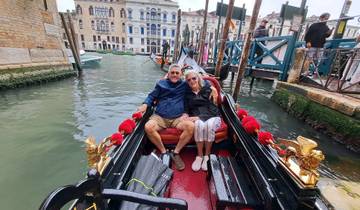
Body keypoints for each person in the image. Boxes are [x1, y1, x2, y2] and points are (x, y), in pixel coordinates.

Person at [138, 64, 194, 171]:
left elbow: (199, 83)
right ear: (168, 74)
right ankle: (163, 151)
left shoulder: (184, 85)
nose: (174, 75)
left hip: (178, 118)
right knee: (148, 127)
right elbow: (151, 96)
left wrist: (211, 88)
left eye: (177, 73)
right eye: (172, 72)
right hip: (160, 117)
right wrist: (145, 104)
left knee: (191, 126)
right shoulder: (160, 84)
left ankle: (176, 152)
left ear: (181, 75)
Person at [184, 70, 221, 172]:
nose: (192, 81)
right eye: (189, 80)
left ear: (198, 78)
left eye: (194, 78)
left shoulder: (208, 90)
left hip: (212, 116)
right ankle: (199, 155)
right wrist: (185, 115)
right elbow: (186, 108)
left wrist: (199, 117)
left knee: (208, 125)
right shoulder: (187, 94)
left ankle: (207, 156)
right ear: (187, 82)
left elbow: (213, 109)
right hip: (197, 117)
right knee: (199, 125)